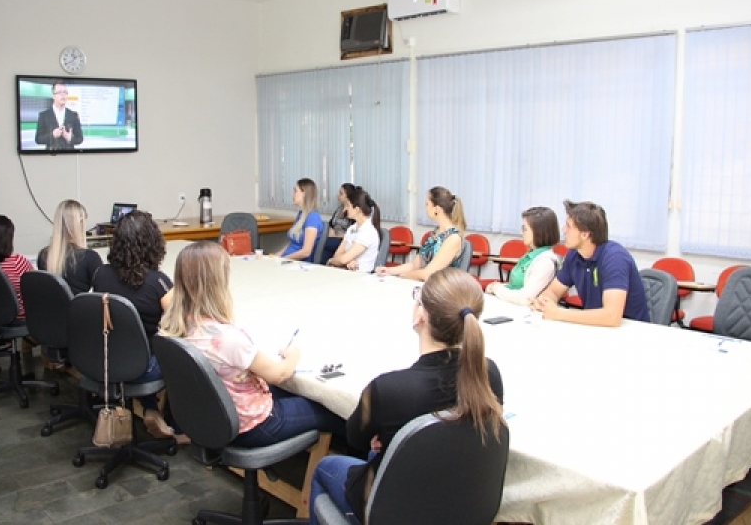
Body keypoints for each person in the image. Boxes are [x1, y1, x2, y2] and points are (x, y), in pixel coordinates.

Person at [308, 268, 504, 524]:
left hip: (394, 511)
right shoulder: (488, 374)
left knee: (324, 469)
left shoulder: (388, 389)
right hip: (463, 503)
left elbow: (355, 438)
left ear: (420, 316)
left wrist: (387, 434)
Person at [161, 241, 345, 448]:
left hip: (214, 416)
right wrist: (293, 355)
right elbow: (279, 374)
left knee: (291, 393)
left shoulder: (175, 323)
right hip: (252, 424)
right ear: (218, 283)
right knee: (328, 408)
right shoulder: (229, 339)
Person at [91, 210, 178, 440]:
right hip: (142, 369)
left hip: (103, 360)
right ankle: (180, 428)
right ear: (153, 243)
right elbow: (182, 323)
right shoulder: (157, 283)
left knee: (133, 347)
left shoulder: (100, 274)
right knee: (180, 353)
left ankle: (150, 408)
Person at [532, 200, 650, 326]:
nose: (563, 230)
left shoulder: (615, 258)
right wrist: (545, 301)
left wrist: (558, 313)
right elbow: (553, 291)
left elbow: (612, 316)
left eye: (569, 226)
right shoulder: (574, 255)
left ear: (585, 234)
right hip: (596, 327)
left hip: (631, 331)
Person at [375, 186, 467, 281]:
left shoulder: (453, 238)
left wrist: (403, 275)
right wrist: (388, 271)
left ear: (437, 209)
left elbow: (428, 274)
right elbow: (414, 264)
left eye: (427, 204)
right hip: (427, 286)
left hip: (442, 290)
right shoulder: (435, 233)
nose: (425, 207)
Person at [486, 206, 561, 305]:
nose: (521, 232)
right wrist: (497, 287)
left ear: (539, 232)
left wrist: (498, 289)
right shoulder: (531, 254)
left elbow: (525, 298)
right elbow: (516, 288)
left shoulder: (545, 262)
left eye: (525, 229)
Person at [37, 199, 102, 295]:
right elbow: (102, 294)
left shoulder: (43, 255)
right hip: (79, 309)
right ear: (80, 224)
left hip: (52, 309)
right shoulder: (90, 257)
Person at [326, 186, 381, 273]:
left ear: (357, 209)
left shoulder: (368, 231)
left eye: (348, 205)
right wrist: (347, 260)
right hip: (346, 273)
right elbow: (337, 255)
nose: (345, 209)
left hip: (361, 277)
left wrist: (331, 261)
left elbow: (342, 259)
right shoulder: (352, 228)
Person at [279, 178, 324, 261]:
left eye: (295, 191)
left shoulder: (312, 217)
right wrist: (276, 257)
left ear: (304, 194)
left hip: (298, 263)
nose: (293, 194)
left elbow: (306, 251)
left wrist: (284, 259)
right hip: (287, 260)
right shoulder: (301, 214)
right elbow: (292, 243)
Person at [34, 80, 83, 150]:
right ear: (53, 96)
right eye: (60, 92)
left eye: (65, 92)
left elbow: (80, 139)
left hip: (69, 157)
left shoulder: (73, 115)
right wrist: (52, 135)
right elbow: (38, 139)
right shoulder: (44, 115)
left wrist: (69, 138)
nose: (63, 95)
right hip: (50, 157)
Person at [319, 183, 355, 265]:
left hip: (343, 240)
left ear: (348, 196)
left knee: (326, 243)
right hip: (333, 237)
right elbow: (331, 224)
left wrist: (335, 236)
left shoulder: (353, 211)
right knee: (320, 241)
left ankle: (323, 265)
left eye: (341, 193)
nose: (338, 195)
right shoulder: (339, 208)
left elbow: (353, 233)